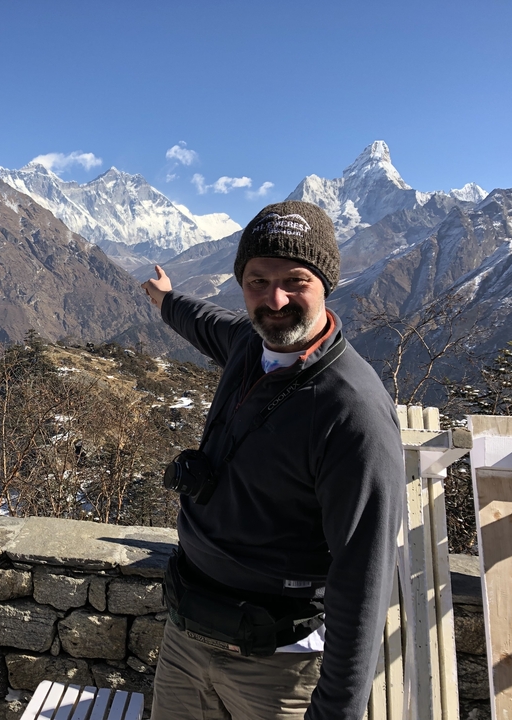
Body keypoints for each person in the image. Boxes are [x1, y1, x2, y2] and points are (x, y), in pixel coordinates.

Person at [141, 200, 404, 720]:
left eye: (296, 281)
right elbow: (204, 321)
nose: (275, 299)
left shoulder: (351, 410)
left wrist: (335, 712)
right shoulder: (247, 343)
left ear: (326, 284)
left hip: (278, 666)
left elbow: (364, 577)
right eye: (257, 281)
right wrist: (167, 301)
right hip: (189, 632)